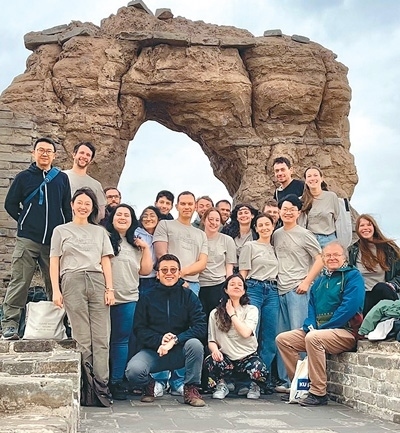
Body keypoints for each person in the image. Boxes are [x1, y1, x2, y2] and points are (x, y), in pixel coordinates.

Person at [276, 241, 365, 406]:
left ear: (344, 258)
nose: (332, 258)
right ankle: (300, 387)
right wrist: (309, 325)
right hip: (320, 332)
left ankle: (318, 392)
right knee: (283, 339)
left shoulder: (353, 276)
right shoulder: (319, 281)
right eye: (328, 255)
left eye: (336, 255)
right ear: (323, 258)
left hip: (345, 332)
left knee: (314, 338)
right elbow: (311, 307)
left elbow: (349, 308)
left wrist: (322, 328)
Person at [1, 137, 72, 340]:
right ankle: (10, 324)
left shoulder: (61, 179)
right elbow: (10, 204)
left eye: (48, 151)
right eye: (41, 150)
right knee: (20, 281)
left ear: (54, 155)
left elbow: (66, 208)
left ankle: (60, 324)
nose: (44, 154)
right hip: (28, 239)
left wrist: (65, 233)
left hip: (53, 242)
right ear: (34, 153)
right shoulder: (23, 177)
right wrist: (25, 221)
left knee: (55, 283)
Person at [50, 187, 114, 394]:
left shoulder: (100, 232)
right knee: (82, 337)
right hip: (72, 280)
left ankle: (101, 386)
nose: (83, 207)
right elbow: (54, 261)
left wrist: (110, 289)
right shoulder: (60, 231)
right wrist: (56, 290)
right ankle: (87, 387)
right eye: (80, 203)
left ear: (93, 207)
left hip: (97, 280)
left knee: (102, 337)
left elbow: (106, 261)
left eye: (88, 204)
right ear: (72, 205)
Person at [125, 254, 207, 407]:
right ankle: (149, 385)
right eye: (164, 270)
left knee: (196, 345)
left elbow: (201, 326)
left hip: (181, 350)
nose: (169, 273)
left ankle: (191, 389)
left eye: (173, 270)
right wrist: (160, 340)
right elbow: (139, 329)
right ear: (157, 274)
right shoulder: (147, 297)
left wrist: (176, 339)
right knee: (133, 371)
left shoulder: (189, 296)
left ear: (179, 273)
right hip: (155, 351)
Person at [153, 191, 208, 395]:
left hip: (191, 285)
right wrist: (174, 277)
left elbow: (202, 262)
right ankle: (159, 379)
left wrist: (181, 276)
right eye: (183, 203)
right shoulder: (165, 225)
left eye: (190, 204)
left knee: (185, 330)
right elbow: (162, 254)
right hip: (165, 284)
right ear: (177, 206)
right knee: (161, 327)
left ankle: (179, 381)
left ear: (195, 207)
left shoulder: (200, 234)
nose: (186, 207)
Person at [273, 194, 323, 393]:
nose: (287, 212)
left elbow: (320, 259)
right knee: (281, 336)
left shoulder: (305, 234)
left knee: (298, 335)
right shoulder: (276, 234)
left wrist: (306, 282)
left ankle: (302, 381)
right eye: (284, 209)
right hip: (280, 289)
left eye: (292, 209)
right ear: (279, 211)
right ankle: (286, 381)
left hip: (298, 289)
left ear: (299, 212)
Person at [106, 204, 153, 400]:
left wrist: (146, 248)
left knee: (121, 341)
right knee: (102, 341)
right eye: (119, 214)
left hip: (128, 298)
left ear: (132, 220)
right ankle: (99, 380)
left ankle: (116, 381)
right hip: (105, 298)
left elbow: (145, 270)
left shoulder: (136, 244)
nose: (123, 217)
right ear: (112, 218)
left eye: (127, 215)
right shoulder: (104, 238)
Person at [205, 274, 269, 400]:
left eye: (240, 285)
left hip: (247, 356)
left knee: (259, 369)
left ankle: (252, 385)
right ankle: (222, 384)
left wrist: (232, 314)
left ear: (244, 291)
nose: (236, 287)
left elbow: (245, 333)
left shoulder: (251, 310)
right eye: (232, 284)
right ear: (226, 290)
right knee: (210, 361)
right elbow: (211, 340)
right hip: (226, 357)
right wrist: (215, 351)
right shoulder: (215, 313)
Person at [239, 213, 279, 374]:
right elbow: (243, 272)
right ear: (256, 228)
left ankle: (262, 376)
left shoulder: (276, 249)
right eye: (260, 225)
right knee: (251, 332)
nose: (264, 228)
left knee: (270, 335)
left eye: (267, 224)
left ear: (273, 226)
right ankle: (246, 376)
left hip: (273, 291)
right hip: (253, 288)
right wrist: (239, 294)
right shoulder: (250, 246)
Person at [348, 214, 400, 316]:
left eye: (369, 225)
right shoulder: (352, 251)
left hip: (384, 292)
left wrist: (393, 284)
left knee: (381, 287)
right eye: (362, 225)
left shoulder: (389, 249)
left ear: (374, 227)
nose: (365, 228)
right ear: (357, 229)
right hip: (364, 296)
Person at [199, 208, 236, 319]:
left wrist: (229, 289)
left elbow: (229, 268)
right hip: (199, 285)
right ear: (204, 220)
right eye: (211, 219)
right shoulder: (197, 237)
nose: (214, 223)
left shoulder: (227, 240)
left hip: (218, 285)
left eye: (217, 220)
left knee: (218, 320)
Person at [64, 142, 106, 221]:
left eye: (88, 155)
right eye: (81, 153)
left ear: (91, 160)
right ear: (74, 154)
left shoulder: (96, 185)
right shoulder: (61, 176)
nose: (84, 156)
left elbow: (100, 213)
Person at [299, 166, 340, 248]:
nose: (312, 178)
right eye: (309, 176)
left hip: (329, 239)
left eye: (315, 175)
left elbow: (338, 219)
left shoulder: (331, 197)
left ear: (321, 178)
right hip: (310, 240)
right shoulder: (301, 200)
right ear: (306, 181)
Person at [135, 206, 163, 296]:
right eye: (145, 216)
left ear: (158, 219)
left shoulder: (161, 235)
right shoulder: (135, 234)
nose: (148, 219)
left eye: (152, 216)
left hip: (155, 278)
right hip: (137, 278)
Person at [221, 203, 259, 268]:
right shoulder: (227, 233)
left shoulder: (257, 234)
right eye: (240, 213)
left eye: (246, 213)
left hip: (250, 269)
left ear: (252, 215)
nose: (243, 215)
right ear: (237, 217)